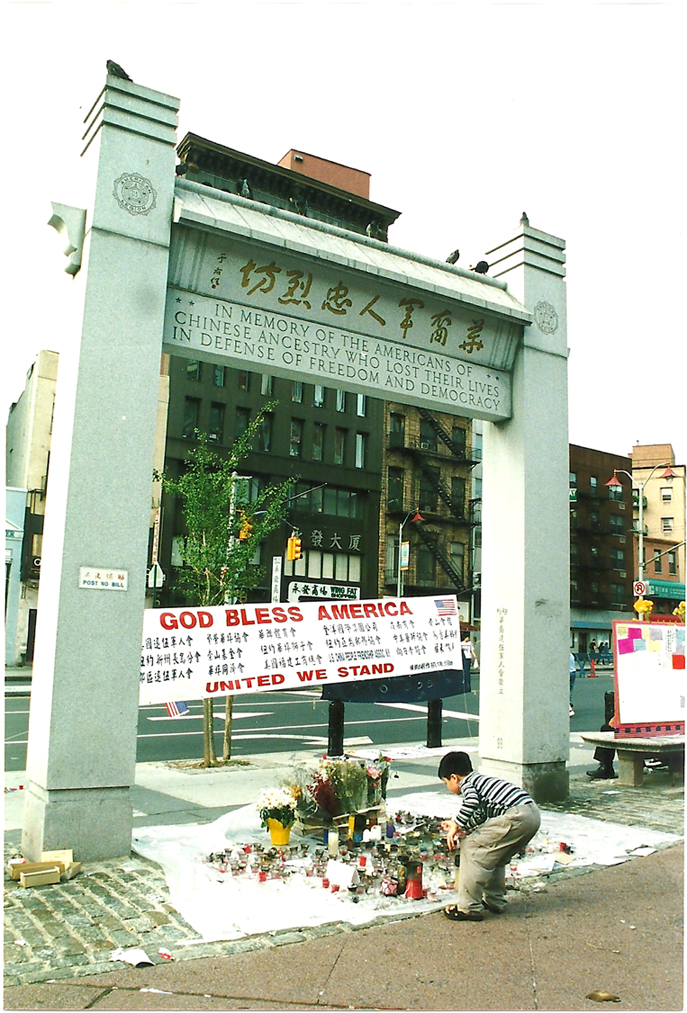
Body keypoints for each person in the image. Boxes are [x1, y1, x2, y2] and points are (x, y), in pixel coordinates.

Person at [438, 751, 541, 921]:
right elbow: (480, 815)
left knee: (470, 847)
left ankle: (468, 907)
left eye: (446, 782)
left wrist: (457, 824)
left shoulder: (468, 783)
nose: (448, 787)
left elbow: (471, 802)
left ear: (454, 777)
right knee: (496, 855)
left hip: (516, 816)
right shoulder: (482, 781)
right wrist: (462, 827)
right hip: (532, 814)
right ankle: (494, 901)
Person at [569, 652, 577, 716]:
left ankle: (568, 706)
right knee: (570, 689)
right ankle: (569, 702)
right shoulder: (571, 655)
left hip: (568, 672)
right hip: (573, 672)